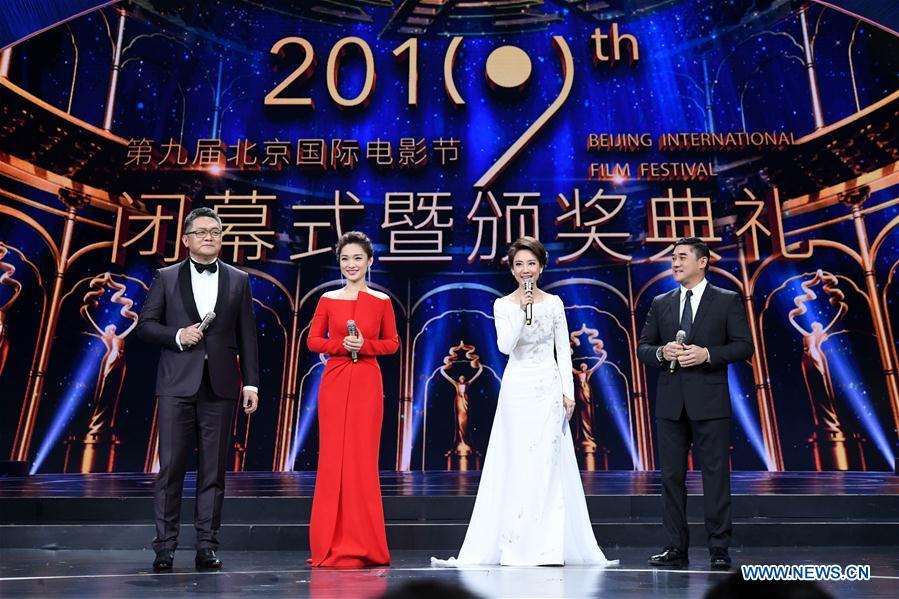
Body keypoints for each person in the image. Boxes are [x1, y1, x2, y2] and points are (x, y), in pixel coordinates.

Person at [432, 237, 617, 567]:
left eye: (531, 263)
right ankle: (517, 543)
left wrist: (568, 393)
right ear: (512, 268)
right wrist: (522, 310)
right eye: (519, 264)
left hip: (547, 386)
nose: (525, 270)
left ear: (542, 267)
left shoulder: (555, 303)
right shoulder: (503, 305)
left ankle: (547, 546)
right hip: (517, 387)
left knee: (547, 461)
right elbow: (505, 347)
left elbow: (564, 350)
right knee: (518, 462)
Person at [136, 207, 259, 572]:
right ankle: (165, 546)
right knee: (171, 466)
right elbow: (145, 326)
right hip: (176, 384)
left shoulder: (238, 279)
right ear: (186, 239)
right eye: (202, 231)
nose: (210, 236)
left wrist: (250, 382)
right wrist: (177, 335)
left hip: (221, 386)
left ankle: (207, 545)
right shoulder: (167, 277)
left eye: (216, 231)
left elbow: (248, 336)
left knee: (214, 470)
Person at [637, 237, 753, 570]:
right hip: (671, 405)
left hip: (710, 403)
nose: (674, 263)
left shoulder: (726, 300)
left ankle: (719, 547)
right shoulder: (661, 303)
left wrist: (708, 355)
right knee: (671, 477)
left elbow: (744, 346)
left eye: (682, 257)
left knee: (715, 476)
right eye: (673, 258)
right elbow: (643, 347)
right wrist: (662, 352)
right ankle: (676, 546)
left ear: (702, 262)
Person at [307, 231, 399, 567]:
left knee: (362, 460)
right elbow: (314, 341)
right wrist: (342, 346)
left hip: (367, 381)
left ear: (369, 261)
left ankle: (365, 542)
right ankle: (328, 542)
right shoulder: (328, 299)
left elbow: (392, 343)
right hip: (335, 379)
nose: (351, 264)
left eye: (357, 258)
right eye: (345, 259)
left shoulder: (382, 302)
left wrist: (367, 347)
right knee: (333, 458)